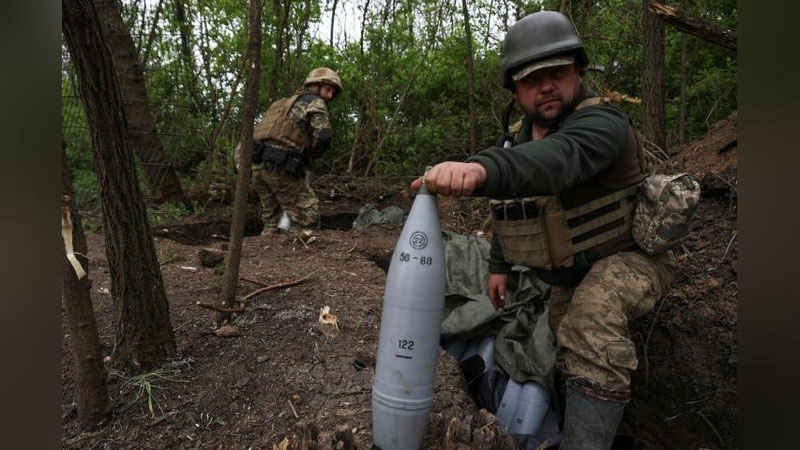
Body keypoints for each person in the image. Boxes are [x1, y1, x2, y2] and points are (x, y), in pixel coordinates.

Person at [411, 11, 676, 450]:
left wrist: (478, 170)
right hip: (563, 277)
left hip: (627, 261)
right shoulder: (515, 141)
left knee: (593, 321)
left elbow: (555, 162)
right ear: (515, 90)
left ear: (578, 72)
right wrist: (499, 266)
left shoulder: (603, 125)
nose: (546, 86)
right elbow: (510, 208)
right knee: (556, 352)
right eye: (532, 80)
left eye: (557, 73)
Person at [240, 67, 341, 233]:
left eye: (332, 92)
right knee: (307, 215)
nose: (330, 96)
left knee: (271, 219)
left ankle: (268, 253)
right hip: (280, 165)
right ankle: (299, 255)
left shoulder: (281, 103)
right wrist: (311, 155)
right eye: (328, 89)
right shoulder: (315, 102)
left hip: (258, 165)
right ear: (314, 85)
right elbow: (324, 135)